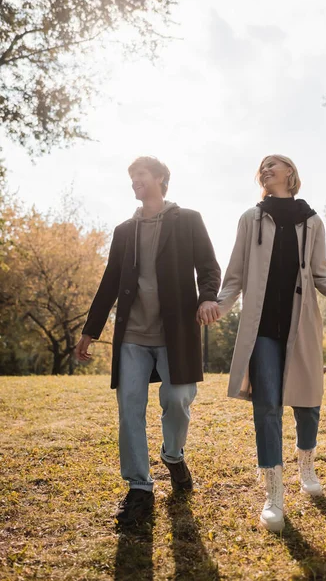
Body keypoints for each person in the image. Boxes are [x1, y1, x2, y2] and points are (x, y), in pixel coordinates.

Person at [216, 154, 326, 533]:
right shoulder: (249, 220)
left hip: (301, 325)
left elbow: (321, 274)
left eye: (274, 164)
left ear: (291, 173)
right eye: (262, 166)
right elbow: (234, 274)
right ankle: (274, 493)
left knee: (308, 402)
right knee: (267, 405)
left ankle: (306, 463)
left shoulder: (312, 221)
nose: (266, 169)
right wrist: (216, 306)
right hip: (263, 328)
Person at [75, 156, 220, 526]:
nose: (134, 181)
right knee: (130, 410)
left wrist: (207, 297)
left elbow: (208, 266)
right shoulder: (125, 231)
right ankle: (139, 486)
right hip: (133, 337)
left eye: (140, 174)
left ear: (160, 178)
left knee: (177, 400)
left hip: (176, 334)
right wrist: (90, 330)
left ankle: (173, 455)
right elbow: (110, 282)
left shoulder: (187, 220)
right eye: (131, 176)